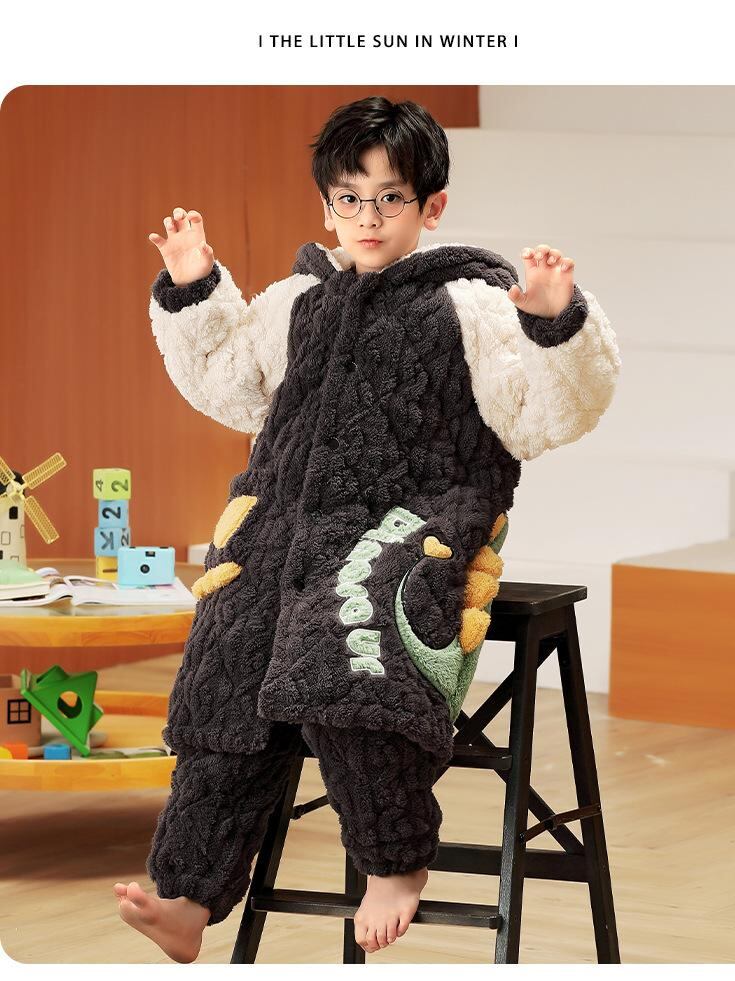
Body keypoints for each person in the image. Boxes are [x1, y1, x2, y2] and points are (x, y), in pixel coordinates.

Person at [114, 95, 620, 962]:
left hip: (408, 520)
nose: (369, 217)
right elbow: (230, 381)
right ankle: (191, 894)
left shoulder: (472, 304)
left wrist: (551, 323)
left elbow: (543, 412)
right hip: (282, 525)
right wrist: (195, 286)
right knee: (226, 664)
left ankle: (394, 857)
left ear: (432, 206)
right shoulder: (297, 299)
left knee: (349, 637)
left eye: (390, 198)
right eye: (350, 198)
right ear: (327, 207)